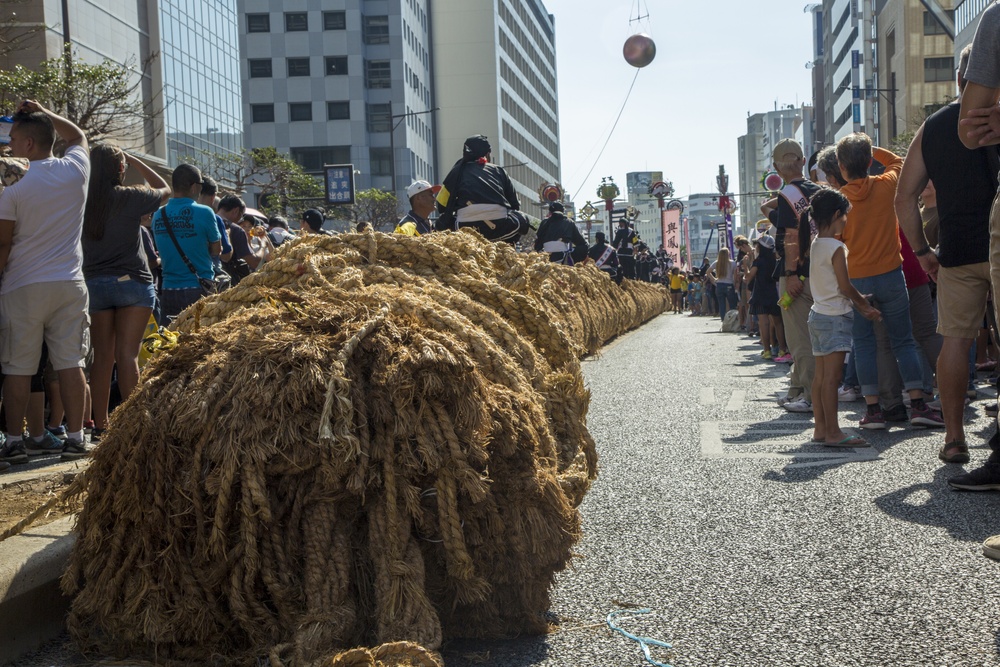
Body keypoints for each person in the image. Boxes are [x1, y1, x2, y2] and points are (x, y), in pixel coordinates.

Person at [898, 46, 995, 464]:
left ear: (959, 79)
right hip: (996, 240)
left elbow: (904, 198)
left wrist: (922, 251)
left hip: (955, 250)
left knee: (954, 342)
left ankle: (954, 439)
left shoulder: (933, 128)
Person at [0, 100, 91, 463]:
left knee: (18, 367)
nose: (8, 147)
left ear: (27, 145)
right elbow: (78, 135)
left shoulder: (13, 186)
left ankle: (14, 442)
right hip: (70, 282)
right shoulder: (75, 171)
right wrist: (43, 110)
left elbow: (4, 242)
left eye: (12, 140)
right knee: (71, 362)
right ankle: (76, 436)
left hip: (23, 285)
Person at [836, 133, 942, 430]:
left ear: (842, 167)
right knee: (904, 340)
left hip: (857, 279)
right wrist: (871, 150)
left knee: (866, 344)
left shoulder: (840, 200)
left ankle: (874, 411)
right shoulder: (886, 185)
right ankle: (919, 404)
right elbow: (898, 161)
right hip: (892, 275)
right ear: (869, 161)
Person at [82, 144, 170, 443]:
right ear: (120, 169)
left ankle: (100, 425)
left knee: (102, 357)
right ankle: (133, 424)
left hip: (94, 285)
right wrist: (135, 160)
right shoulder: (131, 196)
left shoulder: (82, 200)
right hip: (133, 282)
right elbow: (164, 188)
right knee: (128, 355)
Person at [806, 188, 882, 446]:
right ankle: (834, 433)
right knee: (832, 379)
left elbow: (833, 284)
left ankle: (820, 429)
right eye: (845, 217)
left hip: (817, 315)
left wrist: (860, 298)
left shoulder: (816, 244)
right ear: (837, 214)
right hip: (835, 317)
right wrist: (865, 307)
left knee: (820, 377)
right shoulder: (837, 247)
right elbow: (845, 286)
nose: (846, 221)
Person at [761, 139, 820, 413]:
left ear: (775, 167)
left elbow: (790, 239)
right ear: (803, 161)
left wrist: (791, 273)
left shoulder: (787, 195)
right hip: (821, 271)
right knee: (813, 336)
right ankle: (797, 389)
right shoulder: (818, 191)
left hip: (795, 273)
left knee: (800, 339)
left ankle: (810, 395)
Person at [151, 163, 222, 323]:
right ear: (194, 187)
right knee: (200, 342)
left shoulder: (158, 215)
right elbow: (217, 250)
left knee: (172, 341)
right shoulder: (205, 212)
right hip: (198, 287)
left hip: (167, 289)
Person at [434, 135, 529, 244]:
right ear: (487, 154)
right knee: (521, 218)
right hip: (500, 227)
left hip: (464, 228)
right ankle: (509, 247)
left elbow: (441, 205)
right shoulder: (498, 170)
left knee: (441, 223)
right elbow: (515, 204)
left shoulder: (455, 171)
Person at [746, 234, 788, 361]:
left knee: (763, 323)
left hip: (760, 294)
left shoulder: (758, 262)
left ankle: (767, 350)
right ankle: (782, 349)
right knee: (778, 322)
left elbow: (748, 278)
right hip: (774, 294)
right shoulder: (776, 261)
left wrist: (746, 265)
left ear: (760, 247)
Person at [708, 247, 738, 321]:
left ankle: (723, 320)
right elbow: (735, 276)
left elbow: (708, 272)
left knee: (721, 305)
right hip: (729, 284)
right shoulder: (733, 263)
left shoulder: (716, 263)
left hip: (719, 285)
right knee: (732, 304)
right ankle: (732, 321)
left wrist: (714, 279)